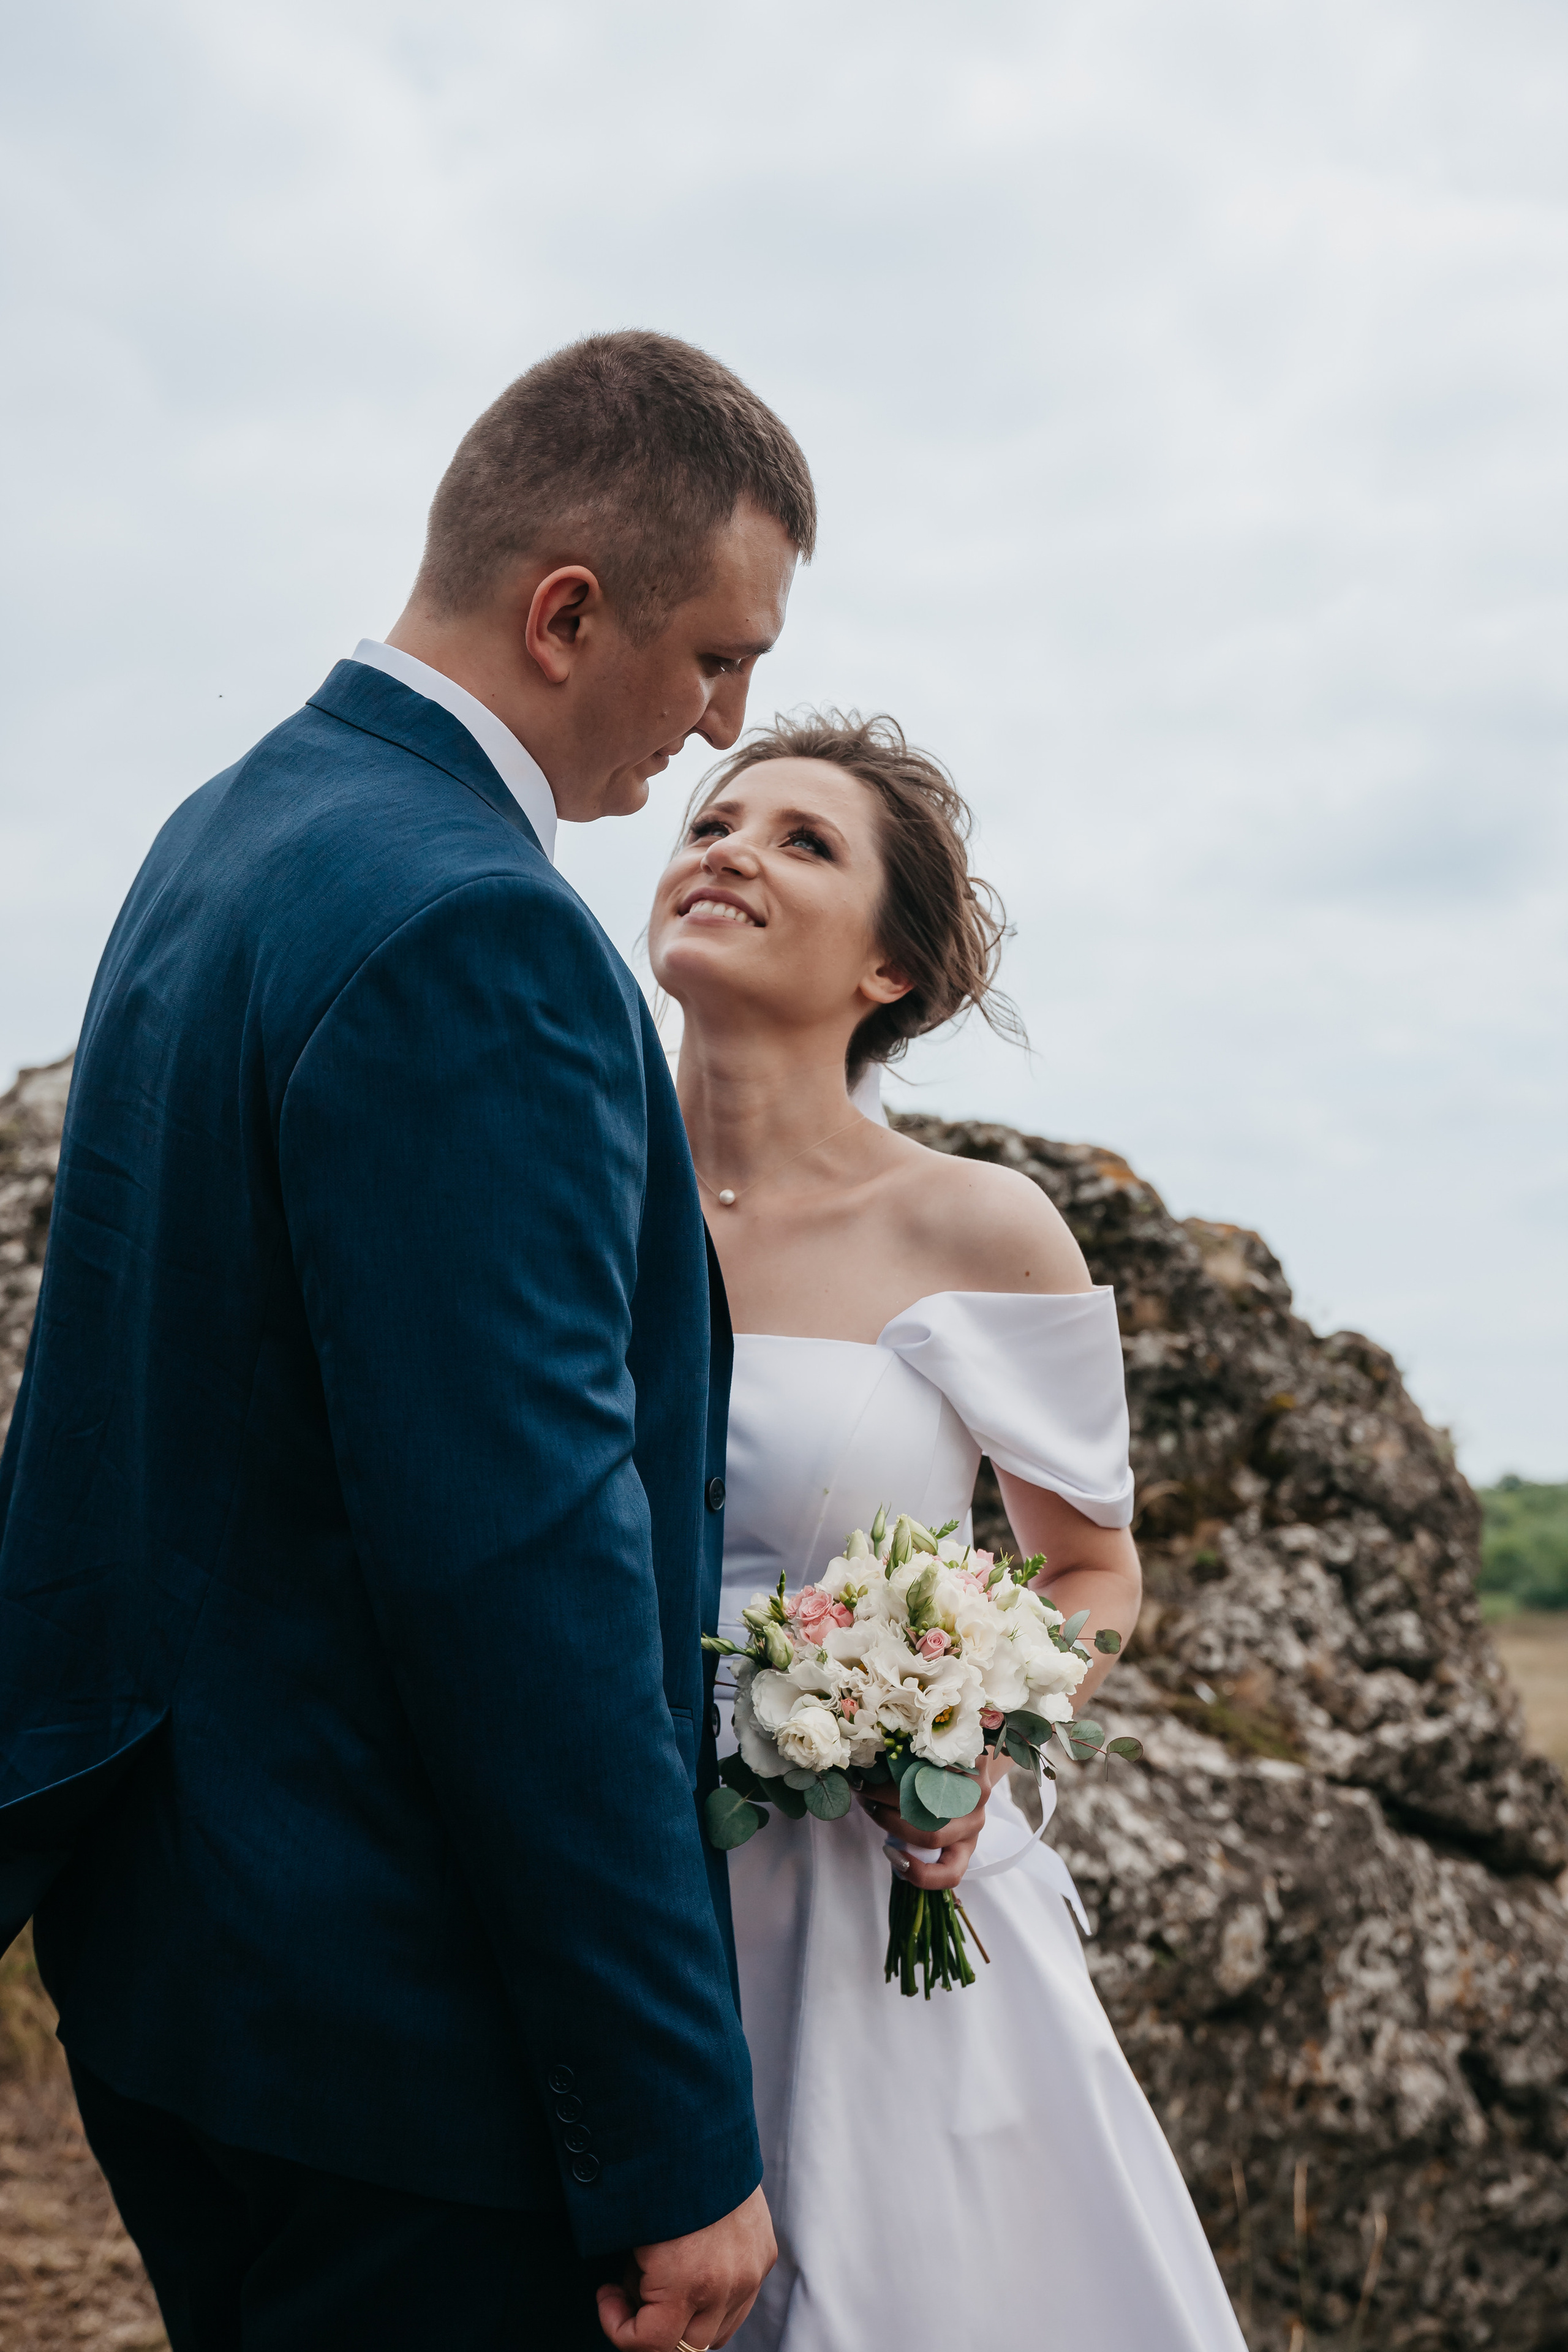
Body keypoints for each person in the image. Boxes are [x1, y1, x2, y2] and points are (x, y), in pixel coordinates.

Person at [0, 331, 812, 2352]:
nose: (725, 725)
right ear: (566, 615)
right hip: (395, 2042)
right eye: (718, 657)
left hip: (178, 1970)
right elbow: (514, 1558)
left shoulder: (229, 832)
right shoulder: (483, 925)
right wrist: (663, 2126)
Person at [647, 711, 1251, 2351]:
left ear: (892, 971)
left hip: (859, 1913)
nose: (729, 851)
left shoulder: (976, 1224)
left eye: (801, 841)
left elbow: (1088, 1567)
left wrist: (968, 1724)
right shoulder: (571, 1193)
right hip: (600, 1887)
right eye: (715, 818)